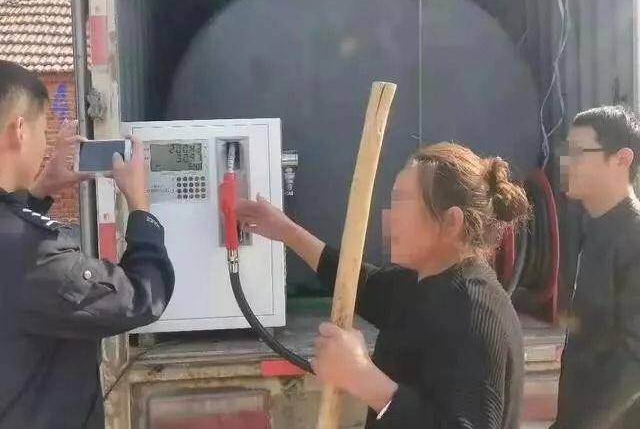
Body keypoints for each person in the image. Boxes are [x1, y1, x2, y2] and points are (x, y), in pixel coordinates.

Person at [237, 141, 528, 428]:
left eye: (402, 203)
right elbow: (357, 284)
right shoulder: (420, 283)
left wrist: (362, 377)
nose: (387, 217)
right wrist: (287, 232)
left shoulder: (475, 313)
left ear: (451, 221)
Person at [0, 60, 175, 429]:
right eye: (42, 131)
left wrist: (39, 193)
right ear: (19, 131)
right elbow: (141, 297)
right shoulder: (37, 255)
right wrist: (140, 206)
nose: (44, 145)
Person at [552, 105, 640, 429]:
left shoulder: (634, 239)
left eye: (579, 153)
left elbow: (633, 362)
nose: (566, 164)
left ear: (622, 159)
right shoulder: (596, 231)